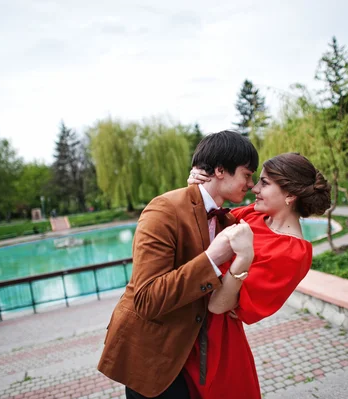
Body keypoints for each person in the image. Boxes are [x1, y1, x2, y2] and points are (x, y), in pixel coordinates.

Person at [97, 130, 259, 398]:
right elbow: (147, 299)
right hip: (151, 354)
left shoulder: (226, 221)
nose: (251, 184)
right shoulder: (163, 210)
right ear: (220, 170)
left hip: (191, 355)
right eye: (247, 174)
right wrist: (212, 258)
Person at [183, 152, 331, 399]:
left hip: (215, 341)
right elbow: (204, 230)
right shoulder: (253, 214)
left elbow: (220, 305)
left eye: (264, 183)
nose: (254, 188)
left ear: (290, 195)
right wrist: (197, 190)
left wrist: (243, 258)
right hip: (185, 322)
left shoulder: (292, 252)